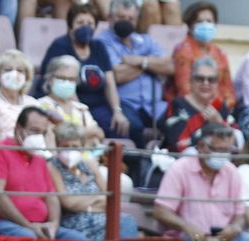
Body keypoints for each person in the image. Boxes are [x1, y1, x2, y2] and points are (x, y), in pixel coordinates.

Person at [0, 106, 81, 239]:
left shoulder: (39, 157)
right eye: (35, 131)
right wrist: (27, 225)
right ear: (18, 129)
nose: (39, 137)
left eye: (43, 133)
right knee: (27, 236)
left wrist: (53, 224)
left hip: (37, 225)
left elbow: (51, 196)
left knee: (76, 238)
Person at [153, 123, 249, 241]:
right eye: (218, 149)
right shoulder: (180, 169)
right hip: (185, 238)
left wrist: (235, 228)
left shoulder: (232, 171)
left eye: (227, 150)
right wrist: (186, 226)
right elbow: (160, 211)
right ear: (201, 147)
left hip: (226, 238)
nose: (222, 155)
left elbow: (240, 214)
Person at [37, 3, 122, 138]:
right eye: (80, 22)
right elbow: (62, 78)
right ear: (71, 25)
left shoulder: (98, 46)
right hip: (70, 102)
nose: (85, 27)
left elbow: (110, 83)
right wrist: (82, 111)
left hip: (98, 106)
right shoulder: (60, 46)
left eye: (90, 23)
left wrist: (117, 111)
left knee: (122, 127)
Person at [97, 0, 170, 140]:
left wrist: (140, 61)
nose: (126, 22)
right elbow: (117, 74)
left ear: (137, 20)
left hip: (153, 105)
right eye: (121, 17)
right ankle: (142, 160)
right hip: (125, 103)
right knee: (134, 127)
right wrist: (150, 64)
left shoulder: (146, 40)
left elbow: (170, 66)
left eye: (131, 18)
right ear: (110, 18)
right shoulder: (102, 41)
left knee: (176, 122)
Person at [160, 55, 232, 153]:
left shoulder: (220, 106)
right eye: (200, 79)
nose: (206, 83)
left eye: (211, 80)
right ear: (191, 81)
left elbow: (235, 143)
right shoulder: (177, 105)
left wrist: (220, 123)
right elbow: (177, 144)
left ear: (217, 84)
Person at [171, 2, 234, 107]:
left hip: (218, 109)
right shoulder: (183, 51)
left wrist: (226, 106)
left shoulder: (220, 53)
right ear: (190, 26)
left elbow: (227, 88)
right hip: (190, 108)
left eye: (209, 21)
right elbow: (185, 89)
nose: (205, 25)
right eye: (199, 21)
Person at [38, 55, 100, 137]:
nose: (66, 83)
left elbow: (99, 133)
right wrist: (86, 132)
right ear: (49, 79)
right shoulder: (40, 105)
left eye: (71, 79)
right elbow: (57, 135)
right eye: (61, 78)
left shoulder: (81, 108)